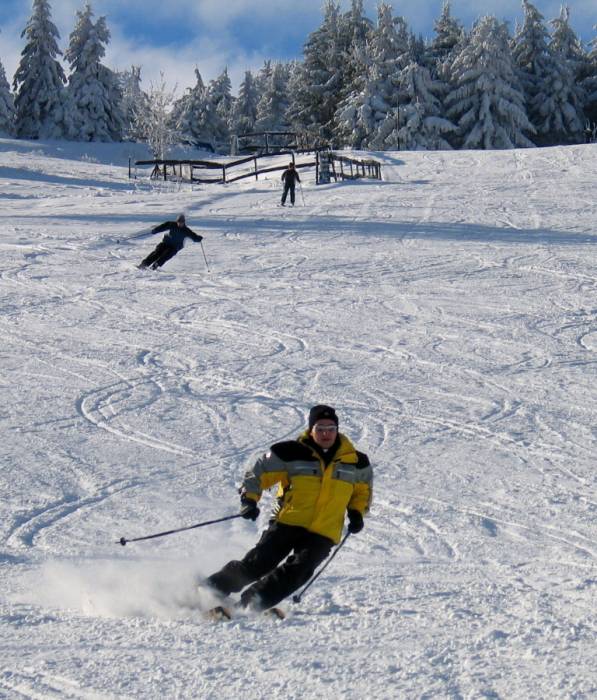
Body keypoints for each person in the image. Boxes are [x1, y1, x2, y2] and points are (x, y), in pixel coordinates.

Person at [206, 404, 372, 613]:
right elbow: (258, 473)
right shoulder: (291, 452)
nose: (326, 433)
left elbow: (362, 491)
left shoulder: (356, 461)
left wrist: (357, 512)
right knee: (258, 564)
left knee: (297, 573)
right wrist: (249, 500)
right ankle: (208, 590)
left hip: (324, 530)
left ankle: (249, 606)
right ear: (311, 429)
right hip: (288, 521)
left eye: (331, 428)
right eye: (320, 428)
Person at [138, 214, 203, 270]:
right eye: (179, 222)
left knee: (166, 256)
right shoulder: (172, 224)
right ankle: (144, 265)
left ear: (184, 222)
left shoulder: (186, 230)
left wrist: (198, 238)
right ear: (177, 221)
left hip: (175, 247)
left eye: (181, 222)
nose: (180, 223)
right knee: (156, 253)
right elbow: (163, 227)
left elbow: (194, 237)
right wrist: (155, 230)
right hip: (165, 243)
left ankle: (155, 266)